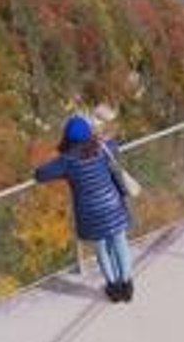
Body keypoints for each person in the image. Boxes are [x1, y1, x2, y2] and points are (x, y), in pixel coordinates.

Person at [35, 115, 135, 303]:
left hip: (91, 213)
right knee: (120, 243)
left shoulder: (66, 161)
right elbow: (117, 143)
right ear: (89, 133)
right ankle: (127, 285)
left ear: (67, 138)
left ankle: (113, 288)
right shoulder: (101, 148)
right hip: (113, 205)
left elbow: (40, 175)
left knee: (102, 249)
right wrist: (107, 138)